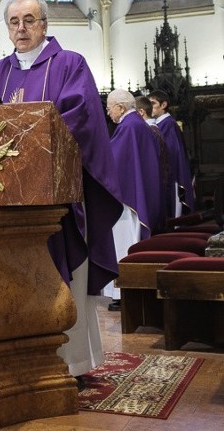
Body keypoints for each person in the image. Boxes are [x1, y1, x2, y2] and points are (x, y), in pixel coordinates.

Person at [0, 0, 123, 378]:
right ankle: (12, 360)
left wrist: (27, 144)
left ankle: (69, 365)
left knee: (61, 279)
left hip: (55, 201)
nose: (20, 29)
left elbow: (82, 120)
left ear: (44, 24)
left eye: (28, 20)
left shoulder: (70, 64)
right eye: (13, 22)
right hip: (3, 199)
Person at [104, 90, 167, 311]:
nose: (108, 111)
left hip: (127, 200)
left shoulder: (128, 127)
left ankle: (124, 292)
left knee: (124, 241)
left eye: (110, 107)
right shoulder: (136, 125)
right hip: (135, 193)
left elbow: (113, 162)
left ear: (121, 107)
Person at [148, 90, 195, 216]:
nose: (149, 107)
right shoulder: (158, 124)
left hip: (171, 175)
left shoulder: (168, 124)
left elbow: (171, 151)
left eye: (153, 103)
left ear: (163, 105)